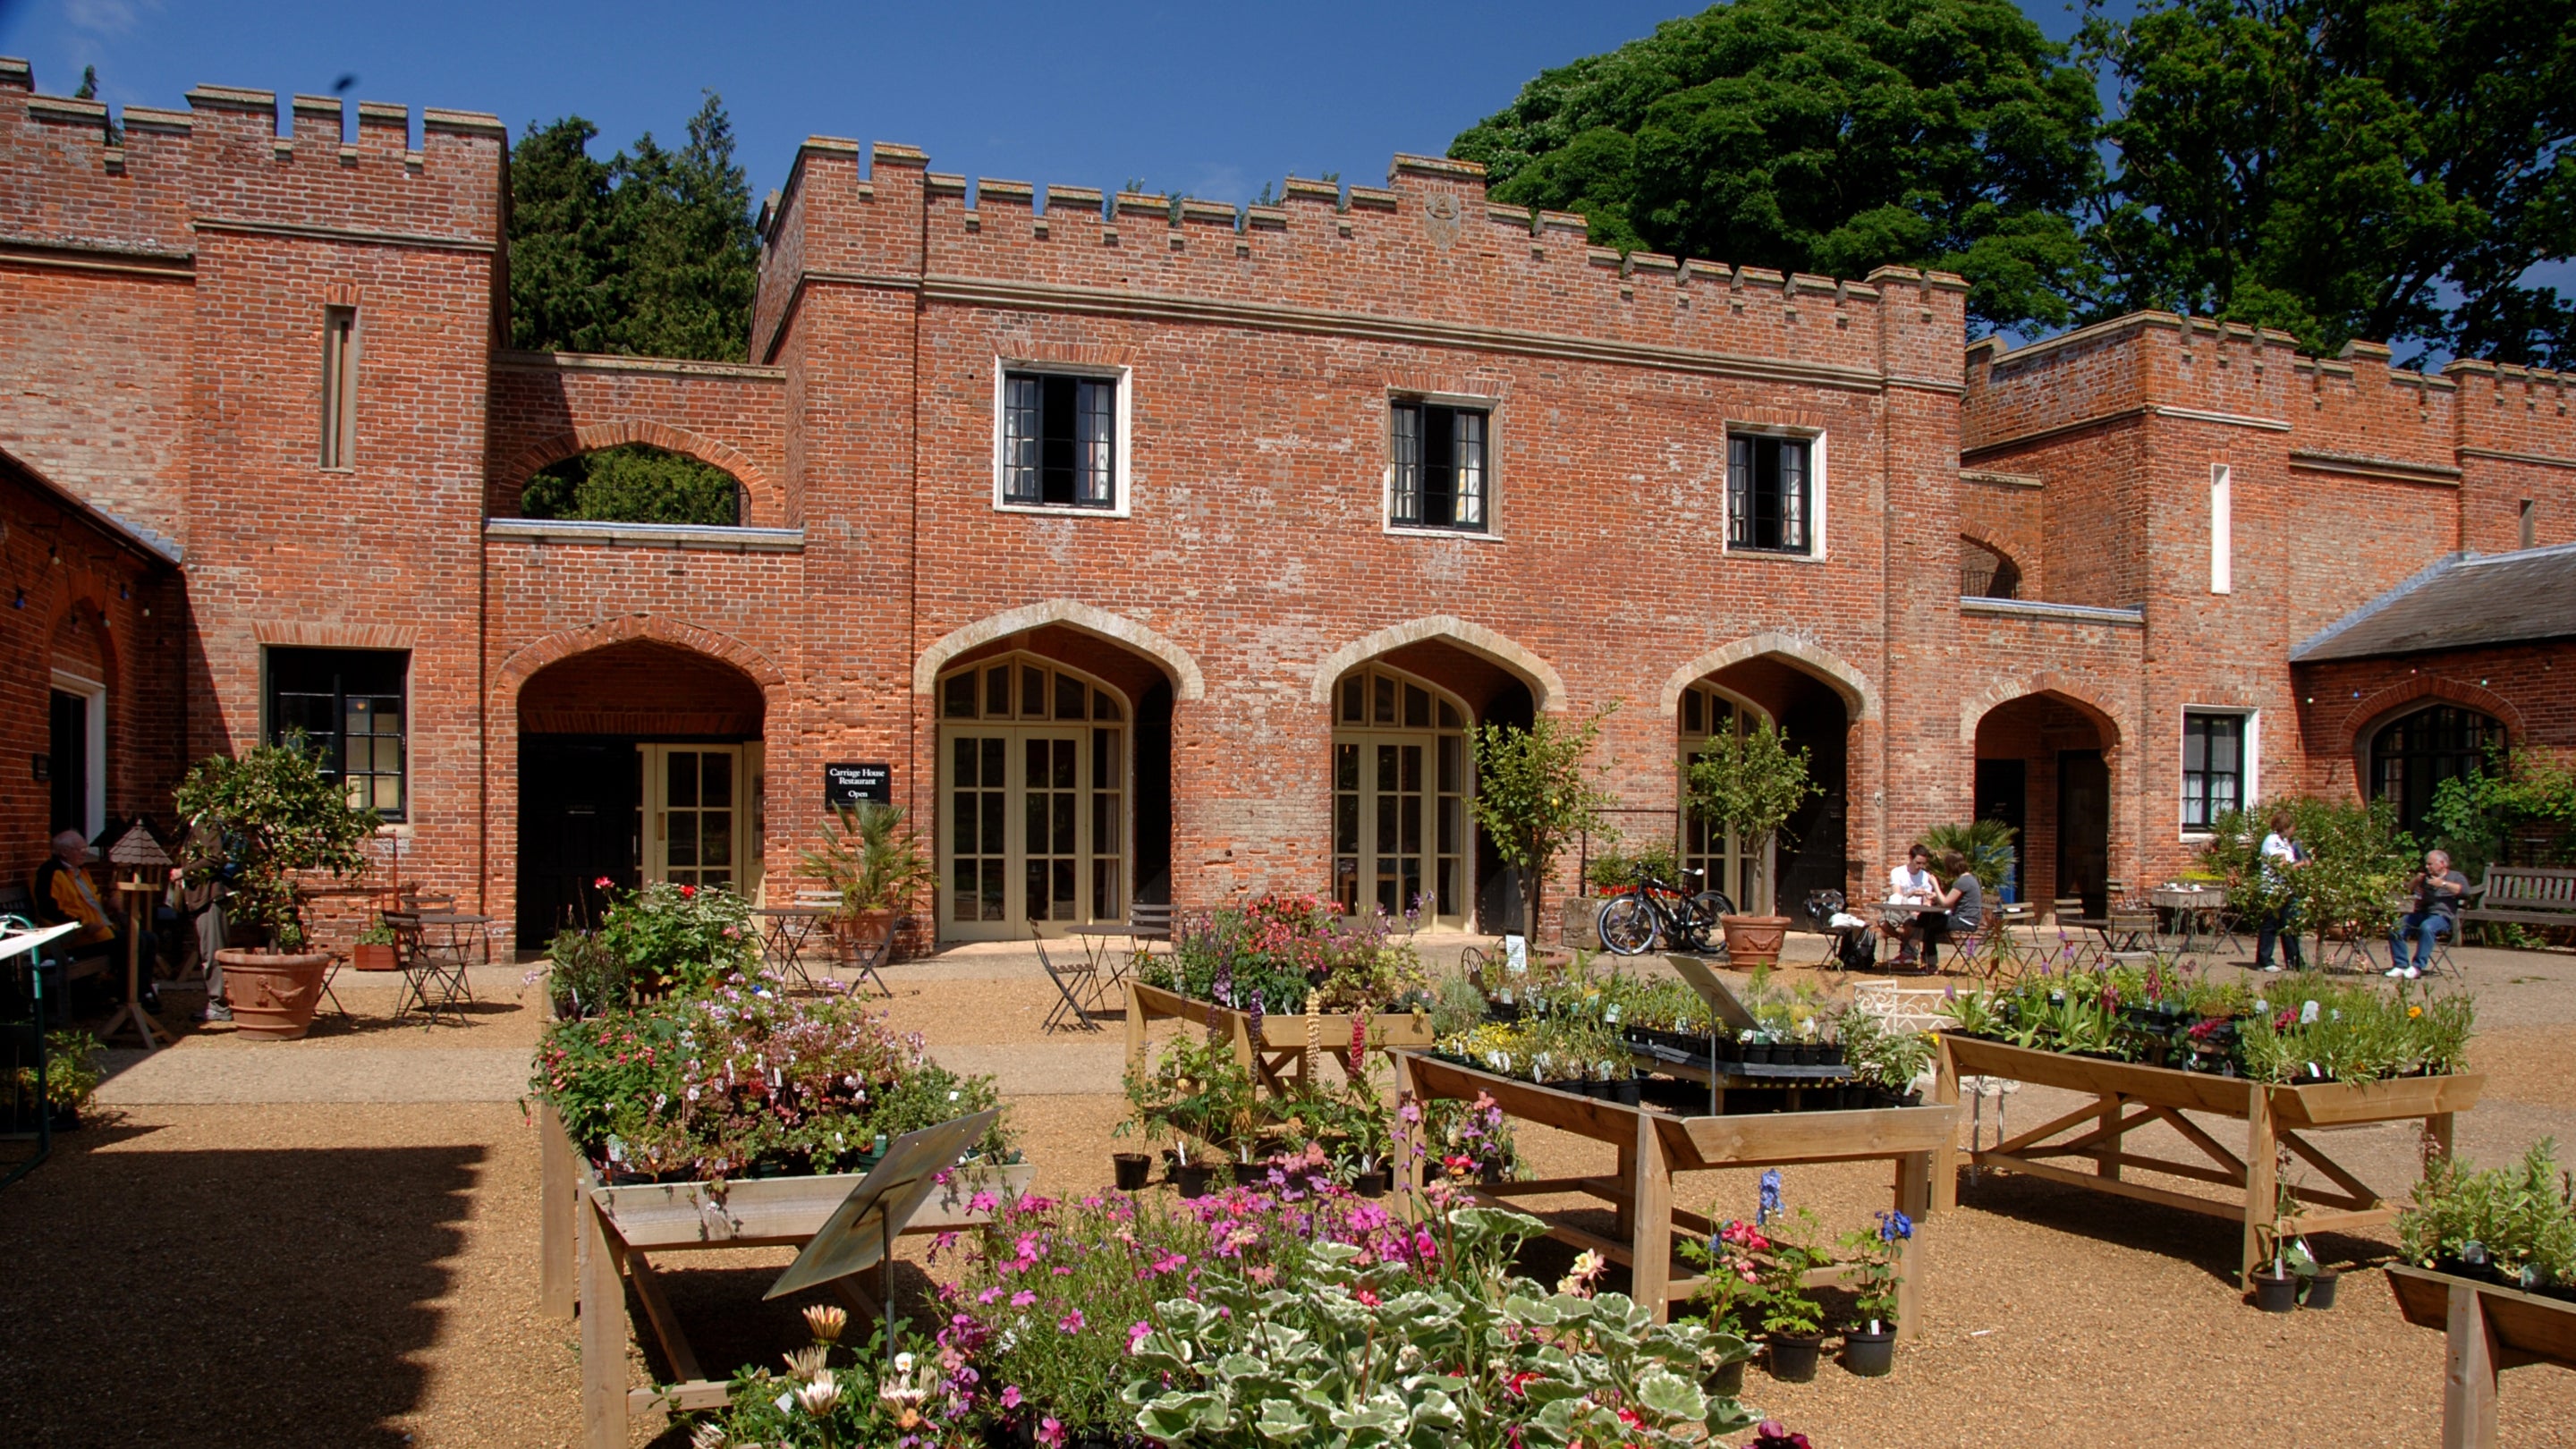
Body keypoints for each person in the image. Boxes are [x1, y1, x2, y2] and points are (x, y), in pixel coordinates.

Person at [31, 828, 158, 1011]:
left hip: (100, 932)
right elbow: (49, 911)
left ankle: (140, 993)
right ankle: (129, 998)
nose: (85, 852)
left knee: (149, 938)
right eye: (79, 849)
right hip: (76, 939)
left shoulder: (81, 872)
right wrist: (82, 926)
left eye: (85, 847)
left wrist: (109, 905)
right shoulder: (49, 874)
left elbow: (93, 902)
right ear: (64, 852)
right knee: (132, 942)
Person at [2386, 849, 2470, 980]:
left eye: (2430, 864)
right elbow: (2407, 889)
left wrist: (2442, 884)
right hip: (2422, 913)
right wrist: (2416, 880)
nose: (2427, 867)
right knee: (2395, 928)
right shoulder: (2425, 877)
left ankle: (2417, 967)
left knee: (2427, 927)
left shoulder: (2455, 876)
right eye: (2427, 864)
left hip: (2442, 917)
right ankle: (2400, 964)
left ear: (2442, 863)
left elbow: (2465, 891)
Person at [2251, 809, 2306, 973]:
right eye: (2292, 826)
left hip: (2287, 890)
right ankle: (2264, 961)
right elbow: (2281, 866)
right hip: (2273, 891)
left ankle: (2294, 961)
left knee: (2289, 926)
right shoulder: (2273, 841)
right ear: (2286, 826)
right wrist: (2302, 864)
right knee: (2270, 926)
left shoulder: (2287, 843)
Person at [1921, 849, 1985, 973]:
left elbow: (1946, 903)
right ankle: (1920, 955)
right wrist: (1936, 896)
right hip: (1966, 918)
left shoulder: (1962, 881)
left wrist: (1935, 884)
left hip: (1965, 921)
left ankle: (1931, 965)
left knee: (1929, 929)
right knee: (1926, 918)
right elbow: (1951, 900)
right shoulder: (1969, 879)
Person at [1879, 843, 1941, 968]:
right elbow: (1897, 895)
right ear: (1910, 858)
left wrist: (1928, 900)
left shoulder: (1925, 876)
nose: (1920, 867)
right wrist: (1911, 893)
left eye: (1923, 864)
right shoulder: (1898, 872)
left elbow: (1926, 902)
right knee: (1882, 923)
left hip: (1915, 911)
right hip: (1900, 907)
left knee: (1913, 923)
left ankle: (1908, 950)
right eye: (1918, 863)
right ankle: (1909, 945)